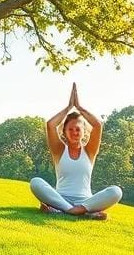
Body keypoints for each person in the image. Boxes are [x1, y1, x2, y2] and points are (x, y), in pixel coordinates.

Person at [30, 84, 123, 220]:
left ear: (83, 131)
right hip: (60, 199)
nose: (74, 133)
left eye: (78, 129)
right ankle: (74, 211)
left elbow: (97, 125)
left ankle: (74, 210)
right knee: (35, 182)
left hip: (85, 201)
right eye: (70, 129)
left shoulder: (90, 151)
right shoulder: (59, 150)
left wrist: (78, 107)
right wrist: (68, 108)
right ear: (64, 132)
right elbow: (50, 125)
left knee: (116, 191)